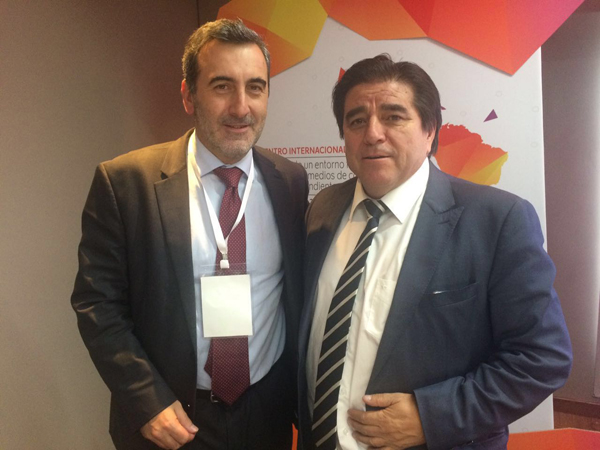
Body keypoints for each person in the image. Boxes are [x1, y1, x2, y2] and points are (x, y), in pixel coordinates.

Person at [297, 54, 572, 450]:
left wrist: (432, 417)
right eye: (356, 121)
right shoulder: (322, 209)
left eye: (393, 116)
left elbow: (542, 357)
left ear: (430, 131)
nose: (372, 133)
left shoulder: (497, 220)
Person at [72, 19, 308, 450]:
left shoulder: (289, 182)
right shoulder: (125, 182)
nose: (241, 107)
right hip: (171, 419)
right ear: (188, 95)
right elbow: (97, 304)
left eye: (255, 87)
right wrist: (147, 402)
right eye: (222, 86)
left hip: (266, 415)